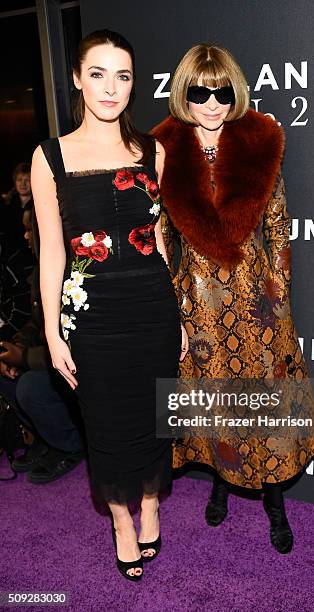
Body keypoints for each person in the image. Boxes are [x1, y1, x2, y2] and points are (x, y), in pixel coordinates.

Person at [153, 43, 314, 553]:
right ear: (183, 92)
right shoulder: (161, 151)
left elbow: (278, 228)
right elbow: (160, 237)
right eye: (200, 91)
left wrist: (279, 303)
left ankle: (275, 503)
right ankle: (222, 485)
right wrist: (173, 306)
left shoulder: (260, 142)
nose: (211, 102)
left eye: (222, 91)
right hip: (198, 302)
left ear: (235, 92)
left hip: (256, 298)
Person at [31, 30, 186, 581]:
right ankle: (121, 518)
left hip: (152, 309)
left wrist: (179, 313)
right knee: (107, 426)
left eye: (122, 76)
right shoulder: (50, 156)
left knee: (151, 420)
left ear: (133, 84)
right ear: (77, 77)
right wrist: (51, 331)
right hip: (91, 318)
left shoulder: (153, 151)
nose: (110, 87)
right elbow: (52, 250)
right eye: (97, 73)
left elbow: (159, 235)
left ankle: (150, 504)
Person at [0, 202, 84, 483]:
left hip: (78, 366)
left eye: (29, 230)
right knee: (5, 377)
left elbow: (73, 347)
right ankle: (46, 440)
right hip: (47, 356)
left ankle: (71, 446)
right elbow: (36, 324)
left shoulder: (75, 272)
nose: (25, 237)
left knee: (30, 386)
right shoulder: (40, 272)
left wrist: (22, 358)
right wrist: (13, 348)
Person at [0, 163, 35, 338]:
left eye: (27, 180)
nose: (23, 184)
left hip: (30, 257)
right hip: (11, 257)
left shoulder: (37, 205)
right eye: (20, 180)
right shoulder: (7, 205)